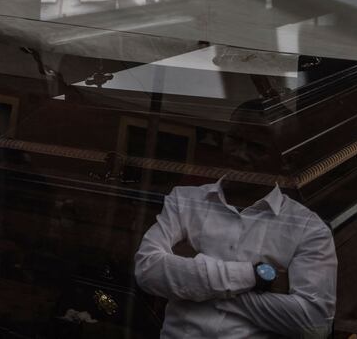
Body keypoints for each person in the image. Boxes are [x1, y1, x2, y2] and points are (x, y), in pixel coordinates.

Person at [134, 101, 337, 338]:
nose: (239, 154)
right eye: (233, 139)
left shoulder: (308, 229)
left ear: (287, 160)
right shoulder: (184, 200)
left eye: (255, 147)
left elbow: (315, 325)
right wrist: (255, 277)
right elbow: (147, 270)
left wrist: (194, 283)